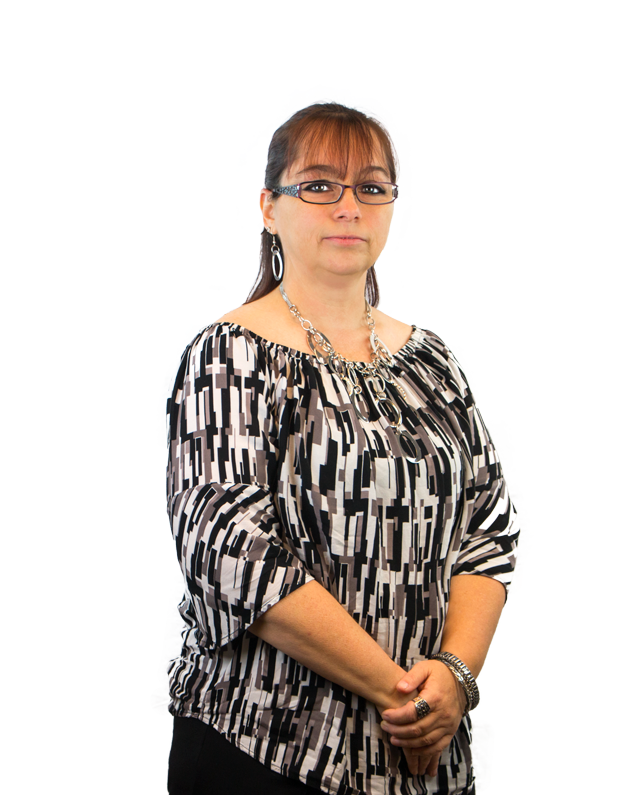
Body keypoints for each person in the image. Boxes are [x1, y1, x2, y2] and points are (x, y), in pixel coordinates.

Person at [164, 100, 520, 795]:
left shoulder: (434, 363)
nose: (349, 207)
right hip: (264, 750)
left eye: (371, 187)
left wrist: (454, 678)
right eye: (320, 185)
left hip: (421, 760)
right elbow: (233, 552)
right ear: (270, 208)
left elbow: (489, 529)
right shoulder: (228, 355)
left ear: (392, 210)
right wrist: (407, 698)